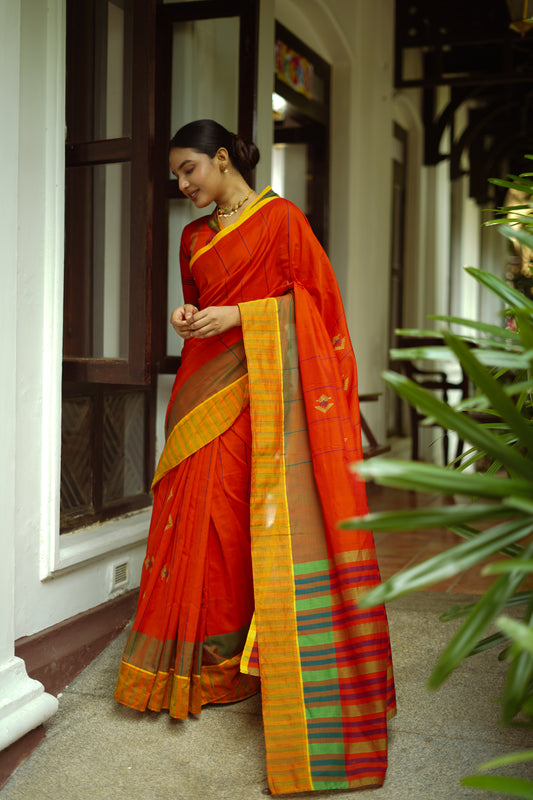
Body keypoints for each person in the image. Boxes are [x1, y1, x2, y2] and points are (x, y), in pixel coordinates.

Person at [115, 119, 396, 795]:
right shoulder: (193, 236)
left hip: (257, 397)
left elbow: (321, 314)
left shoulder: (282, 222)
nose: (182, 185)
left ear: (220, 158)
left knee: (236, 522)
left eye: (189, 170)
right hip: (201, 387)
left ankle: (243, 663)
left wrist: (243, 318)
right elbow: (199, 303)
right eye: (176, 176)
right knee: (189, 519)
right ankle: (194, 666)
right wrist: (191, 318)